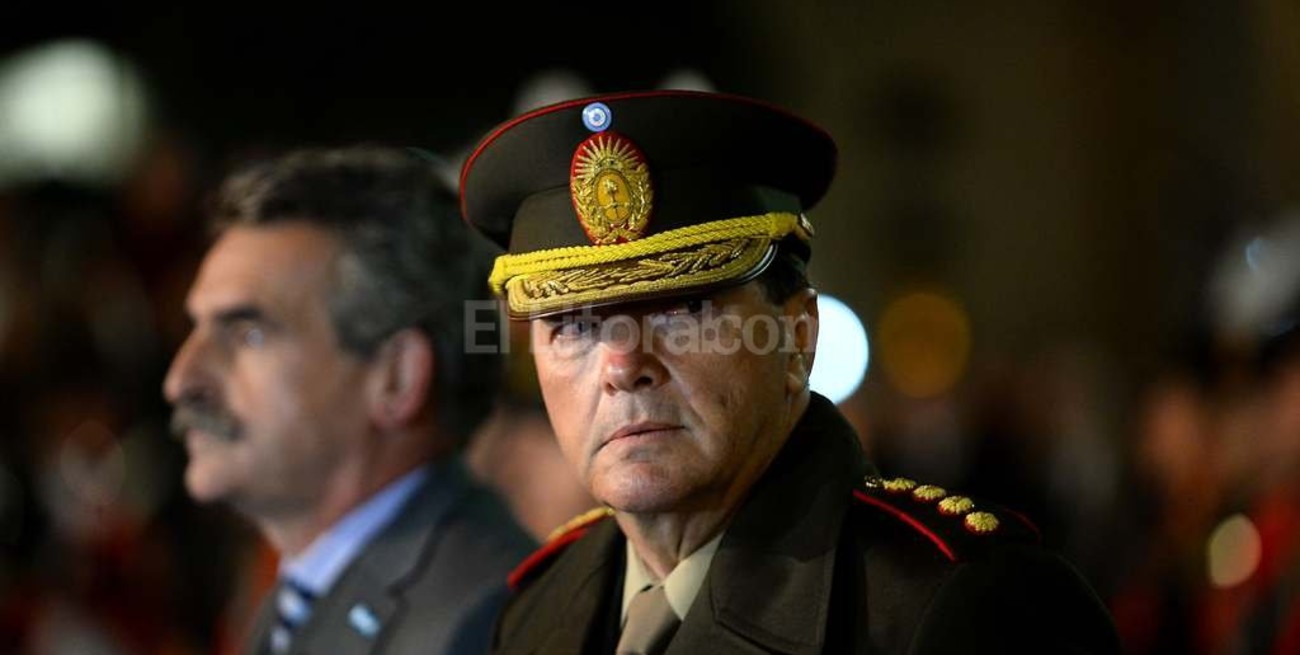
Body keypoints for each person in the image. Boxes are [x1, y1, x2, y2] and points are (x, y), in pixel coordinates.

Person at [458, 90, 1121, 653]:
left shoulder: (965, 607)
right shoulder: (537, 610)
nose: (623, 365)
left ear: (798, 335)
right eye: (573, 325)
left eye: (682, 309)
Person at [164, 147, 533, 655]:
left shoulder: (489, 623)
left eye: (247, 333)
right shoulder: (296, 593)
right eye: (195, 330)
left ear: (397, 378)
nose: (181, 381)